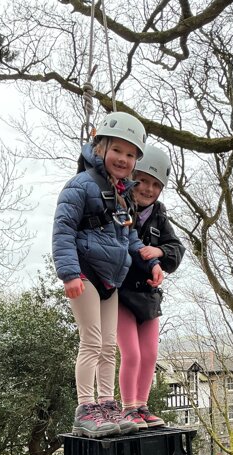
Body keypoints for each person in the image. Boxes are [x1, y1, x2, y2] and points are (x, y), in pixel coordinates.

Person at [52, 112, 164, 438]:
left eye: (130, 154)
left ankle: (106, 404)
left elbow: (130, 238)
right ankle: (86, 408)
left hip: (111, 280)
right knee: (91, 342)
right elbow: (63, 229)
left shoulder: (123, 195)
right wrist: (69, 273)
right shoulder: (81, 185)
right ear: (99, 147)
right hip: (85, 273)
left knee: (107, 347)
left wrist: (151, 263)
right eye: (117, 150)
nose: (123, 159)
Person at [117, 145, 185, 429]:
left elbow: (176, 250)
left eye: (156, 185)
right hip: (121, 294)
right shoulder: (119, 205)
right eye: (143, 180)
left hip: (148, 296)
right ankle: (128, 408)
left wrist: (159, 252)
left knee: (150, 354)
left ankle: (142, 406)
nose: (148, 189)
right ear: (131, 178)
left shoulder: (159, 216)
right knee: (131, 353)